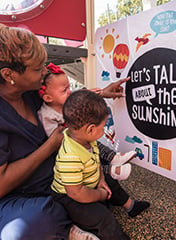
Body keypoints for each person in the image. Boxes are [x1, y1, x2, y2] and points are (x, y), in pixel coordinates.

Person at [0, 23, 130, 240]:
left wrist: (102, 94)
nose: (44, 72)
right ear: (9, 74)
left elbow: (66, 99)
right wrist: (49, 146)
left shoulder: (29, 92)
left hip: (41, 184)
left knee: (89, 176)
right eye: (37, 68)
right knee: (33, 225)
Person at [52, 89, 133, 240]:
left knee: (111, 182)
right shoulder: (70, 156)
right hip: (69, 197)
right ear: (90, 129)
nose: (103, 131)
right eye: (103, 127)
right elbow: (76, 193)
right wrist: (99, 195)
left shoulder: (87, 140)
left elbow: (96, 161)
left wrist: (101, 180)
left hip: (86, 185)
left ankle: (130, 206)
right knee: (103, 218)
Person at [38, 63, 137, 180]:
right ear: (48, 98)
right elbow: (56, 139)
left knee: (95, 143)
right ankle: (111, 170)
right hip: (68, 151)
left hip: (77, 139)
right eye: (64, 90)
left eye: (69, 88)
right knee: (86, 163)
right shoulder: (47, 115)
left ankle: (113, 157)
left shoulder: (67, 102)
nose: (69, 92)